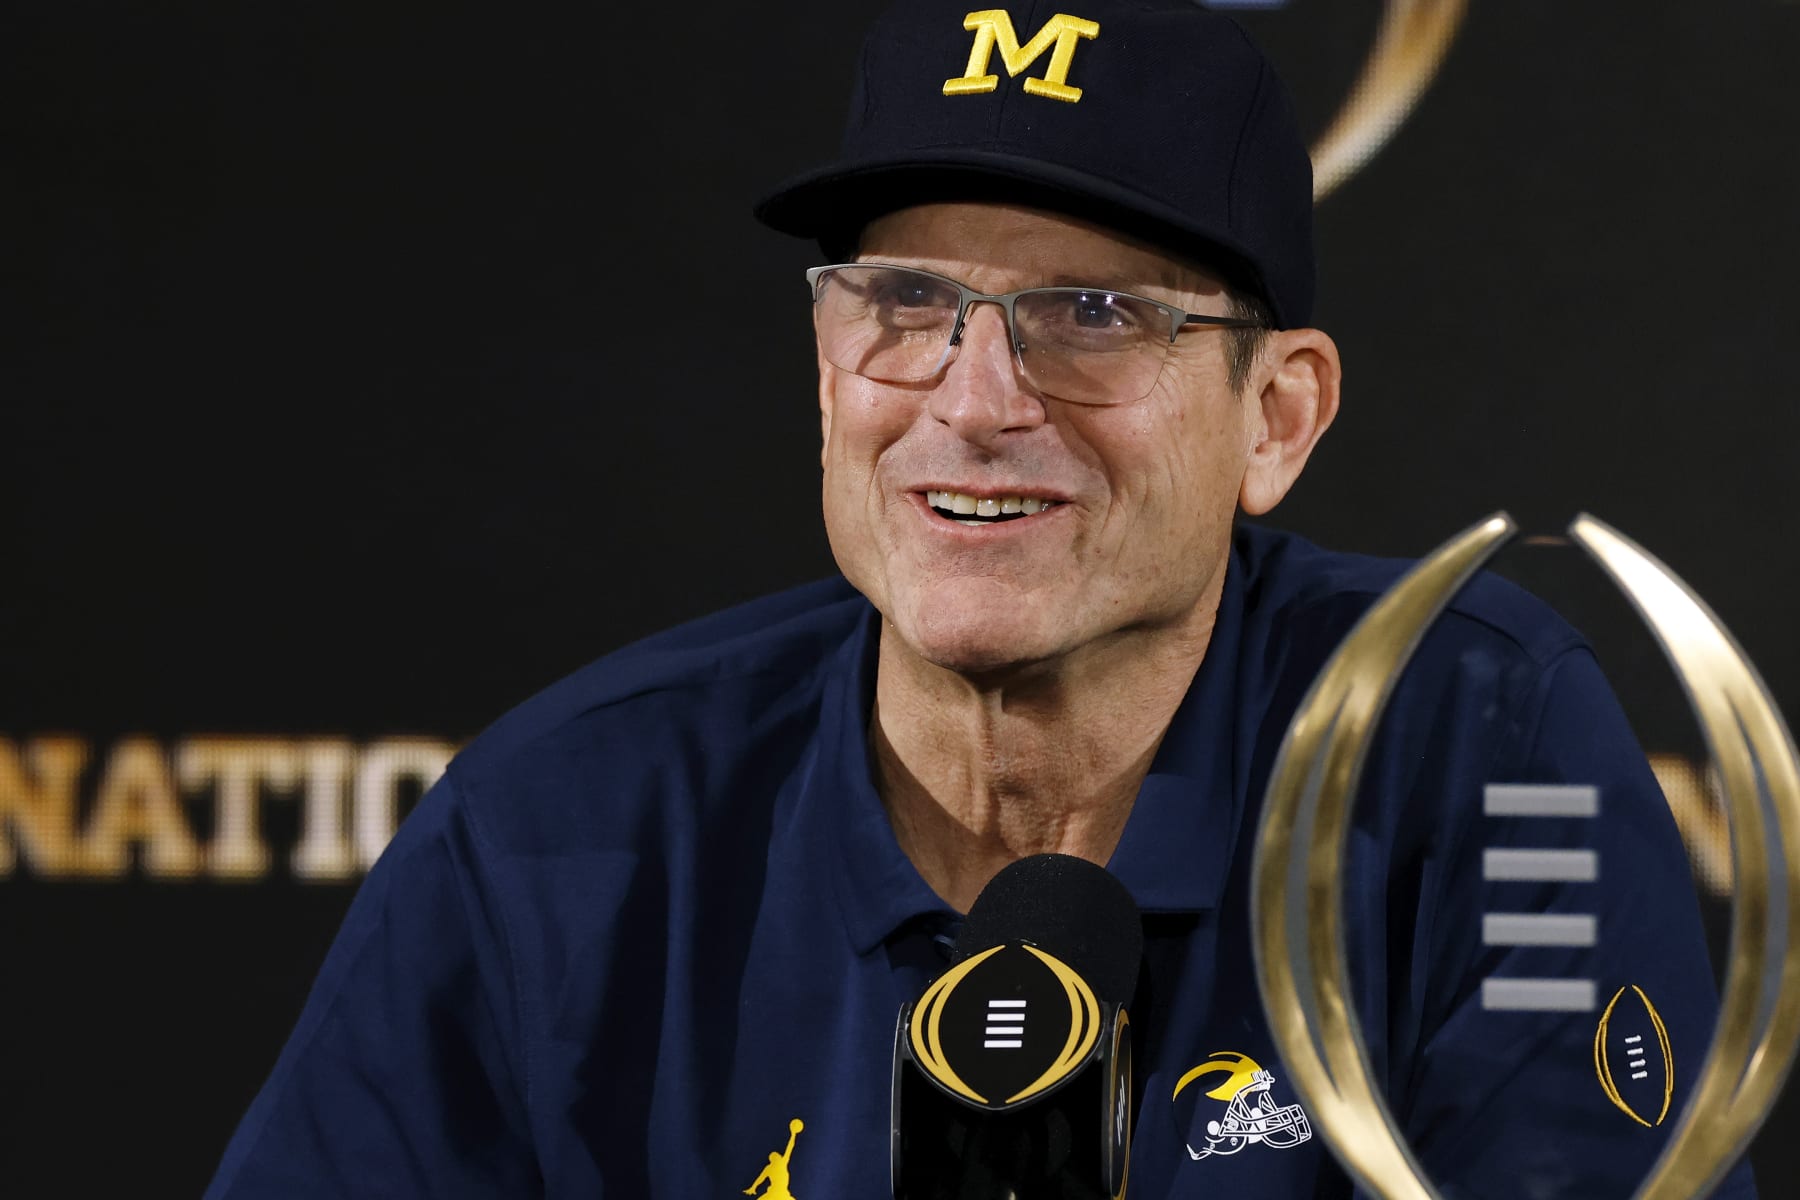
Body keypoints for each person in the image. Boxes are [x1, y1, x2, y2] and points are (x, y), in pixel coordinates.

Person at [203, 2, 1758, 1197]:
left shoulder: (1478, 745)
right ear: (830, 372)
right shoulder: (552, 828)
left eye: (1089, 315)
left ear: (1275, 418)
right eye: (906, 307)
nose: (975, 399)